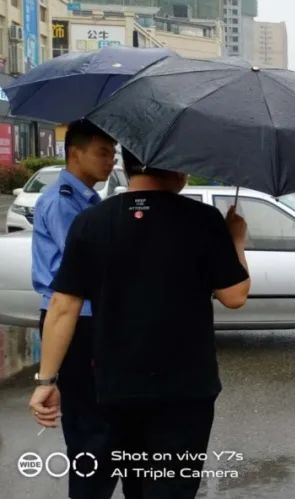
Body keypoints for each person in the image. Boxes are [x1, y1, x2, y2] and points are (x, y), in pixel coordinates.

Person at [29, 148, 251, 498]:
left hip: (116, 386)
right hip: (185, 390)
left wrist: (47, 379)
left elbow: (63, 306)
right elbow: (235, 295)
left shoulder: (92, 221)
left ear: (126, 166)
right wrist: (236, 240)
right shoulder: (204, 220)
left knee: (134, 481)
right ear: (177, 169)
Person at [30, 119, 121, 498]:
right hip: (73, 321)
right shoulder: (65, 201)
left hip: (82, 318)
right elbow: (84, 266)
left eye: (113, 155)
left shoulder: (86, 199)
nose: (110, 162)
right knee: (89, 429)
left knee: (100, 423)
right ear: (75, 153)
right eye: (102, 153)